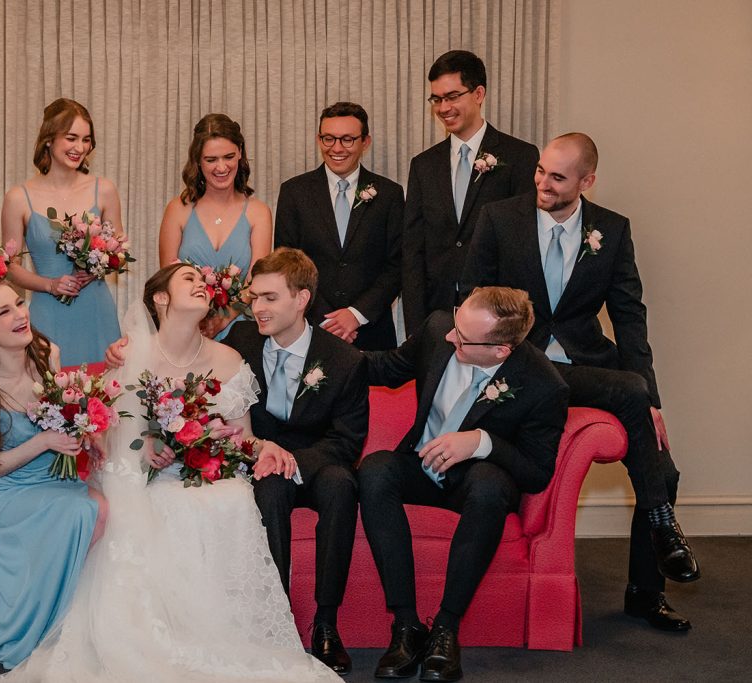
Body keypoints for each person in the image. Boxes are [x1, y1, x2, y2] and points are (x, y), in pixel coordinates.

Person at [0, 263, 338, 682]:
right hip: (146, 479)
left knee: (231, 497)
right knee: (165, 502)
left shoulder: (230, 358)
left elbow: (243, 440)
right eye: (188, 280)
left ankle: (220, 635)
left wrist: (265, 448)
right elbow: (106, 439)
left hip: (209, 472)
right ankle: (160, 636)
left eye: (202, 281)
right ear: (160, 298)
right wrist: (149, 447)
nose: (201, 285)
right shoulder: (132, 354)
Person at [461, 132, 700, 633]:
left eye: (557, 177)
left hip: (587, 366)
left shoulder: (611, 231)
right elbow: (473, 298)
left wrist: (652, 401)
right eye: (540, 171)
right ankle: (664, 524)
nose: (542, 183)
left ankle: (645, 592)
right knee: (629, 390)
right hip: (522, 367)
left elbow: (630, 319)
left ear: (587, 181)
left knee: (665, 468)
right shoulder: (500, 219)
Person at [359, 287, 568, 682]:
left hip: (474, 482)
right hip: (420, 465)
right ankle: (406, 627)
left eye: (464, 336)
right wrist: (313, 353)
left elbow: (537, 471)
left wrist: (481, 442)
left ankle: (445, 629)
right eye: (457, 323)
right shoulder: (441, 328)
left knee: (490, 484)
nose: (451, 337)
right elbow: (385, 367)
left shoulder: (543, 384)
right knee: (374, 469)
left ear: (500, 350)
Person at [222, 248, 369, 674]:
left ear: (301, 299)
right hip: (260, 461)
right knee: (268, 489)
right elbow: (193, 360)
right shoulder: (241, 341)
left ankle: (326, 623)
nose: (257, 308)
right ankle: (277, 623)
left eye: (269, 298)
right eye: (254, 298)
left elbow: (347, 441)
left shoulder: (345, 360)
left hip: (320, 460)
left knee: (343, 485)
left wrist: (288, 459)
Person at [0, 277, 108, 669]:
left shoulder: (46, 356)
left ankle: (84, 622)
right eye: (4, 312)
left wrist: (84, 436)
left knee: (108, 506)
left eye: (19, 304)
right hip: (9, 492)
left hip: (56, 480)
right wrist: (44, 442)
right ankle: (48, 627)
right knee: (85, 512)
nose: (21, 315)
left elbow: (64, 420)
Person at [402, 50, 539, 336]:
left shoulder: (520, 157)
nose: (443, 107)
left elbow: (525, 246)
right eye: (436, 99)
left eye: (452, 97)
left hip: (498, 316)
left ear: (478, 93)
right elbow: (414, 250)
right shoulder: (423, 165)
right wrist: (416, 327)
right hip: (437, 315)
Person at [2, 98, 123, 366]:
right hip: (48, 312)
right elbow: (9, 267)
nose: (80, 148)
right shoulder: (19, 198)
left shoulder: (104, 190)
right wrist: (50, 284)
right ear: (49, 138)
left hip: (96, 312)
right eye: (71, 138)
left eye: (86, 140)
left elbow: (118, 254)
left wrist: (96, 267)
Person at [275, 102, 403, 350]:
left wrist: (356, 315)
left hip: (371, 331)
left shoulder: (389, 194)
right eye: (328, 139)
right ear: (318, 139)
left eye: (347, 139)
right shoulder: (294, 192)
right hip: (309, 327)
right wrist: (328, 321)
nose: (336, 148)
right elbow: (285, 263)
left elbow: (398, 264)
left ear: (365, 142)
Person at [158, 113, 273, 339]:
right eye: (211, 160)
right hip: (188, 327)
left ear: (240, 153)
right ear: (198, 161)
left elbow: (256, 281)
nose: (221, 167)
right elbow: (167, 280)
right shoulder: (178, 209)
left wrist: (223, 318)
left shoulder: (258, 212)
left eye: (228, 156)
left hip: (242, 328)